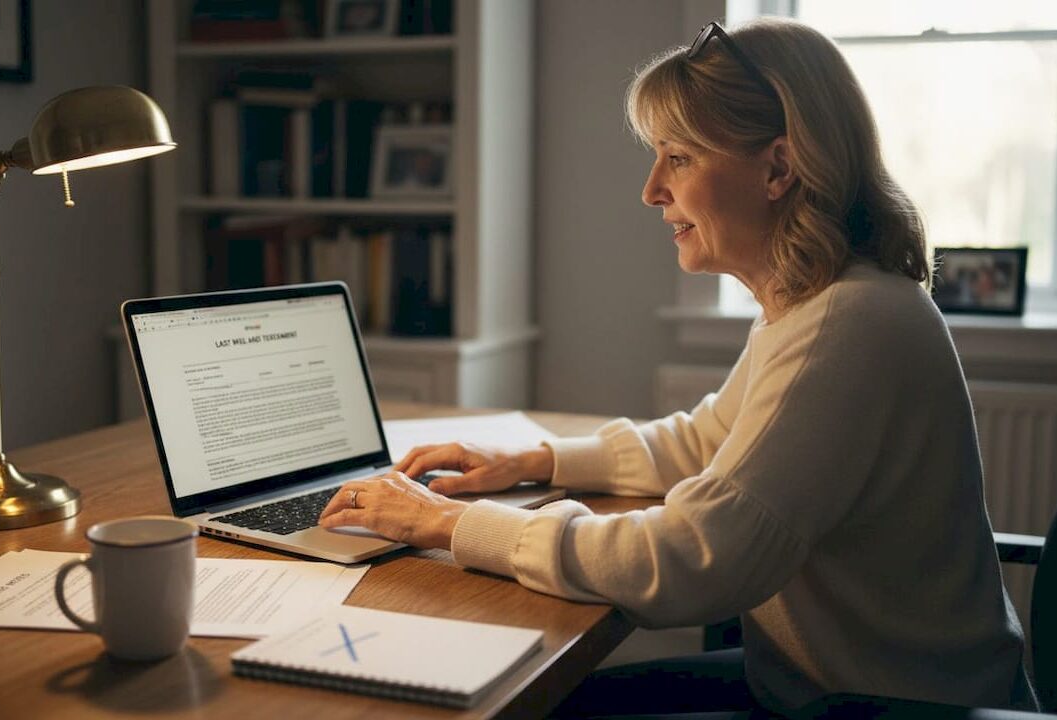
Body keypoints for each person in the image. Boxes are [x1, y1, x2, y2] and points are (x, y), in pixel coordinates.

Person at [319, 17, 1036, 717]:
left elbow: (695, 558)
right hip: (816, 684)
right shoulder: (824, 302)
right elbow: (704, 443)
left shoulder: (849, 323)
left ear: (778, 167)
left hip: (884, 706)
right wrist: (526, 461)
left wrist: (450, 525)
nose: (651, 189)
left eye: (679, 158)